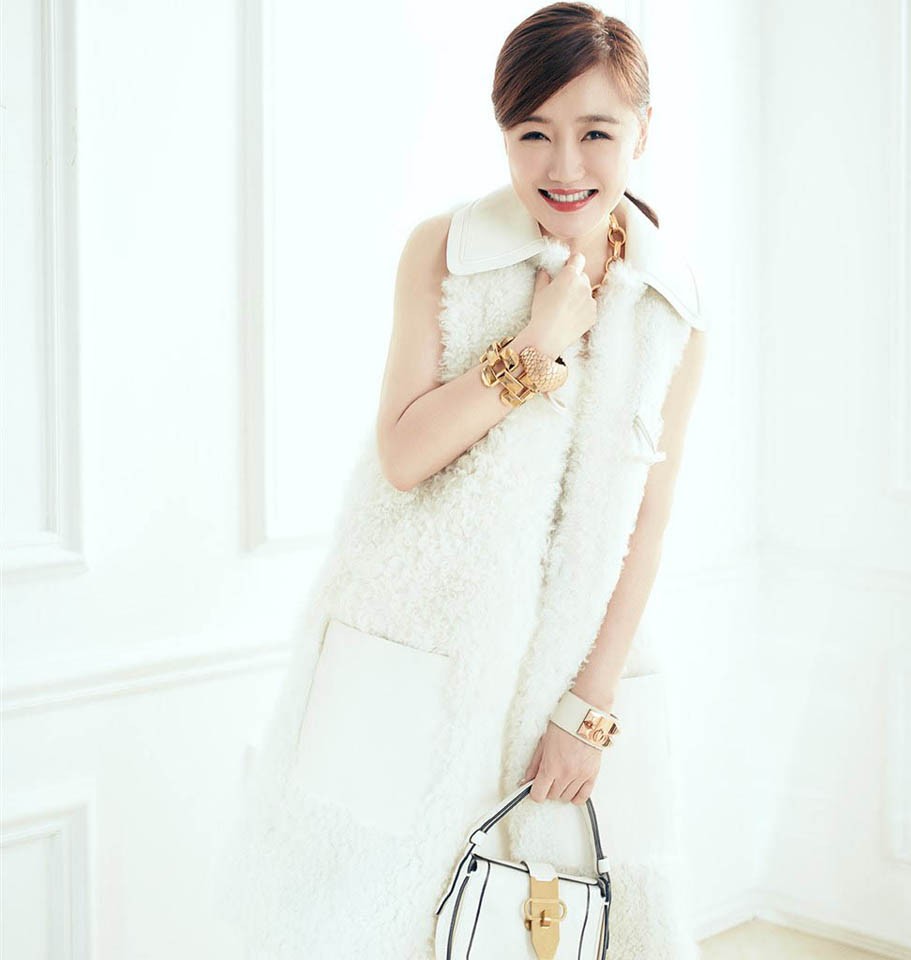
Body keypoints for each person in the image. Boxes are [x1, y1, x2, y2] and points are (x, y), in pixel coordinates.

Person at [213, 3, 706, 958]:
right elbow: (403, 455)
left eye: (596, 133)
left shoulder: (670, 305)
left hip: (570, 671)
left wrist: (589, 709)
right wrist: (537, 347)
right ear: (503, 131)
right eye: (534, 134)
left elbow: (648, 521)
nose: (564, 165)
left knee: (558, 929)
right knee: (374, 919)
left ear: (643, 132)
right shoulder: (449, 252)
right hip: (417, 659)